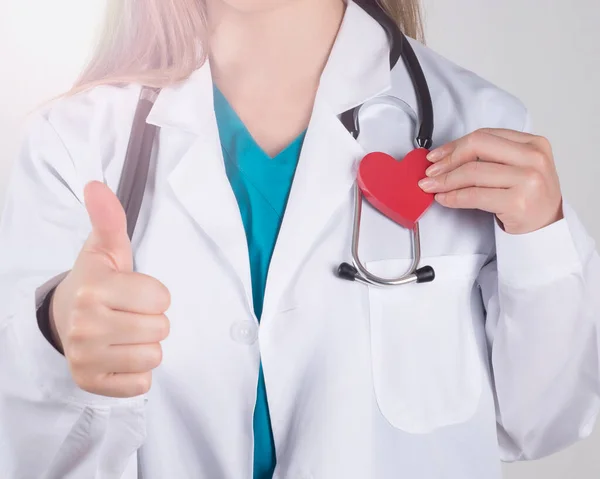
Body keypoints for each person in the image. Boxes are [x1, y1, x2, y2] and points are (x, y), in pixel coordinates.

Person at [0, 0, 598, 478]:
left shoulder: (483, 128)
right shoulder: (71, 145)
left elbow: (545, 422)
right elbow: (26, 456)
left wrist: (541, 241)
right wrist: (53, 335)